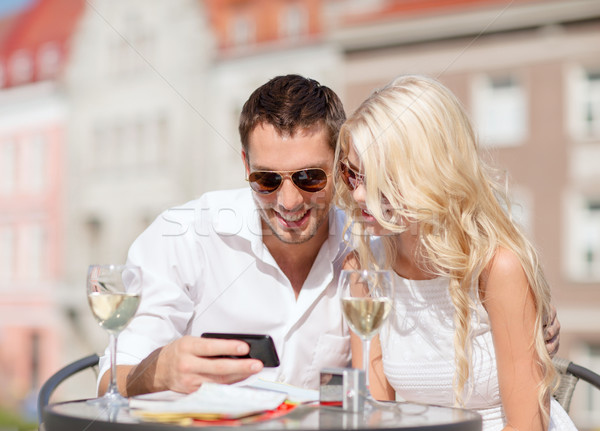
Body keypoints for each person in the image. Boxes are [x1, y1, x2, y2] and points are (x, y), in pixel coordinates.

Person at [98, 74, 561, 397]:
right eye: (266, 180)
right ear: (245, 167)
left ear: (340, 168)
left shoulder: (369, 245)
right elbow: (109, 384)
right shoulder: (186, 238)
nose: (288, 201)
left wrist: (523, 323)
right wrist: (157, 371)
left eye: (309, 178)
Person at [334, 75, 575, 430]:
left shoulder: (497, 268)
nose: (357, 195)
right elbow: (374, 413)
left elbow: (527, 424)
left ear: (428, 174)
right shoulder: (366, 267)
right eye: (352, 174)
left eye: (377, 178)